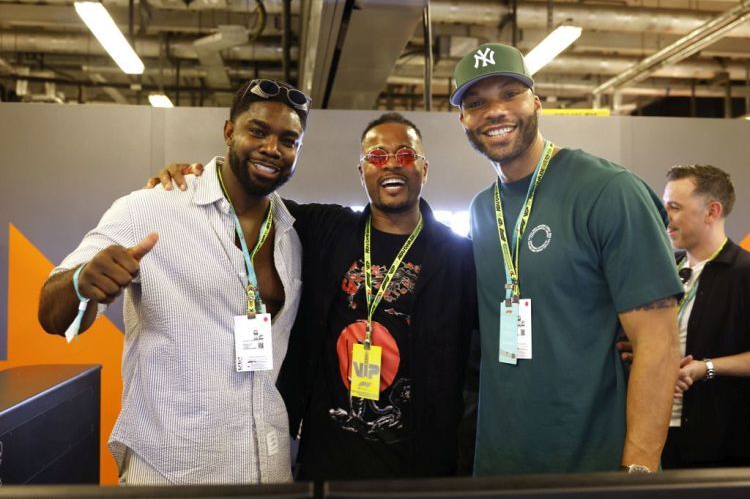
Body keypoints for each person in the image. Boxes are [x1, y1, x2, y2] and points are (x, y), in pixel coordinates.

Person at [149, 112, 477, 480]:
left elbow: (475, 367)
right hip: (328, 459)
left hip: (422, 465)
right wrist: (202, 178)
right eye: (376, 156)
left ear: (424, 168)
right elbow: (248, 199)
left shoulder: (460, 257)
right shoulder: (328, 230)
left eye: (404, 155)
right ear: (362, 171)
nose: (390, 166)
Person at [37, 79, 309, 485]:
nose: (273, 147)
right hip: (171, 473)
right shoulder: (151, 207)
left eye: (288, 140)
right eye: (258, 131)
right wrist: (81, 282)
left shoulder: (295, 231)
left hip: (267, 471)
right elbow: (51, 314)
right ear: (229, 131)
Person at [450, 43, 683, 475]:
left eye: (509, 94)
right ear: (463, 119)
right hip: (501, 462)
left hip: (593, 464)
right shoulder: (483, 210)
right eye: (476, 102)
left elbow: (659, 343)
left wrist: (639, 471)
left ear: (536, 102)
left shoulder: (609, 191)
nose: (494, 111)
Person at [660, 164, 750, 468]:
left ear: (712, 211)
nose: (665, 217)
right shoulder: (662, 270)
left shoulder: (743, 273)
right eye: (664, 207)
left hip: (719, 445)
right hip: (657, 434)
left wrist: (705, 368)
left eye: (674, 207)